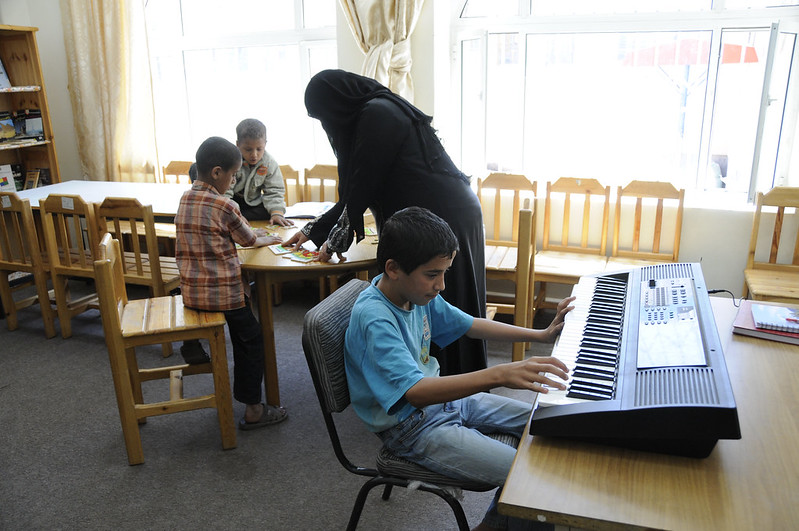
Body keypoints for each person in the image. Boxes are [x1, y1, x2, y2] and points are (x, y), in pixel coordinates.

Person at [344, 207, 574, 531]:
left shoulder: (415, 293)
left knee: (547, 423)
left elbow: (469, 325)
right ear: (393, 269)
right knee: (528, 479)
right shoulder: (375, 318)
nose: (441, 285)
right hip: (410, 429)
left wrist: (541, 334)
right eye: (432, 274)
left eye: (444, 272)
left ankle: (494, 525)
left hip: (444, 405)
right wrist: (500, 373)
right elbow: (415, 393)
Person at [286, 69, 487, 376]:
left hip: (444, 214)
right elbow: (356, 191)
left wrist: (334, 238)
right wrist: (311, 230)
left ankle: (449, 386)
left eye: (325, 115)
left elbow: (363, 186)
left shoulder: (378, 113)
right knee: (427, 301)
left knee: (441, 300)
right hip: (437, 211)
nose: (328, 125)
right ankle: (427, 383)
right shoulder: (372, 111)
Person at [175, 136, 288, 429]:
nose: (234, 180)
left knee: (239, 332)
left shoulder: (185, 198)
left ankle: (192, 340)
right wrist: (268, 238)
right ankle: (253, 409)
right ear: (217, 173)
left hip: (190, 291)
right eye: (233, 174)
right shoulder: (225, 205)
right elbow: (249, 239)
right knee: (251, 339)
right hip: (224, 294)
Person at [224, 118, 293, 227]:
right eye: (248, 149)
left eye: (259, 149)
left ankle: (241, 215)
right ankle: (235, 216)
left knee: (269, 212)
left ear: (265, 144)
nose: (254, 155)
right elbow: (225, 192)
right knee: (222, 211)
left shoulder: (269, 163)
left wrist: (277, 214)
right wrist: (234, 213)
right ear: (237, 145)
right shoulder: (231, 160)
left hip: (252, 205)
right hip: (232, 201)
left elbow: (274, 190)